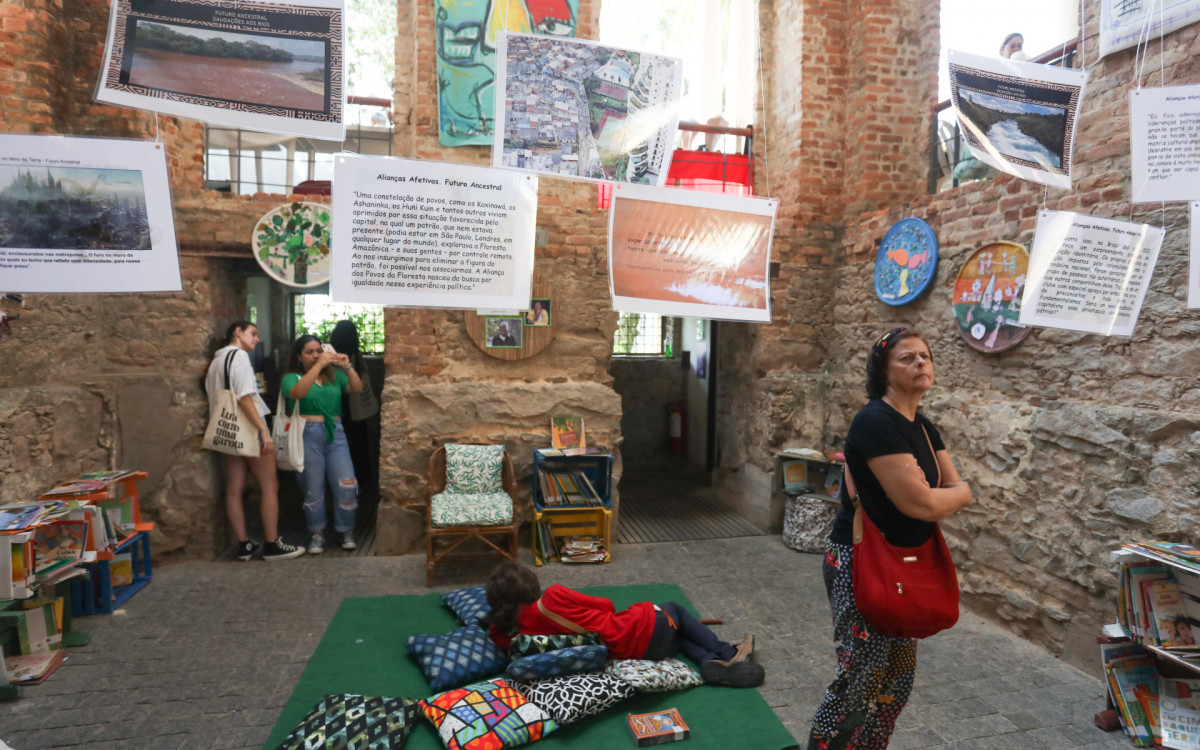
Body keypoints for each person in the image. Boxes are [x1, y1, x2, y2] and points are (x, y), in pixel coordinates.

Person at [807, 327, 972, 749]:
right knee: (859, 681)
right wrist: (948, 495)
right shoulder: (876, 422)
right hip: (862, 561)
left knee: (893, 686)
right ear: (883, 371)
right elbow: (924, 504)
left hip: (905, 562)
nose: (921, 363)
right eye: (907, 358)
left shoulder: (922, 426)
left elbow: (952, 488)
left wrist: (947, 493)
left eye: (925, 356)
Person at [485, 561, 764, 687]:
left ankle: (707, 660)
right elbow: (607, 605)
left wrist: (495, 623)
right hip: (644, 628)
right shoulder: (554, 595)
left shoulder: (521, 635)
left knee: (677, 636)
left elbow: (497, 636)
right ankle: (728, 653)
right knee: (673, 610)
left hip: (638, 652)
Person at [204, 321, 304, 562]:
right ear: (238, 333)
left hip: (228, 432)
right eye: (253, 334)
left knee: (233, 489)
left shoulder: (216, 361)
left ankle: (244, 545)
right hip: (249, 430)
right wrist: (263, 430)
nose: (257, 339)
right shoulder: (238, 357)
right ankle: (272, 544)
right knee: (270, 487)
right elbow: (245, 397)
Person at [283, 335, 364, 554]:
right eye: (309, 352)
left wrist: (347, 367)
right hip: (307, 434)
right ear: (299, 356)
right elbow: (297, 393)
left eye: (319, 350)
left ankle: (346, 530)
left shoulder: (335, 376)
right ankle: (317, 534)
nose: (316, 355)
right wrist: (319, 365)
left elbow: (357, 388)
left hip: (335, 432)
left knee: (346, 484)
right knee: (313, 488)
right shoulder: (292, 377)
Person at [329, 320, 380, 489]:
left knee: (338, 444)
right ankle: (362, 479)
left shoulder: (331, 355)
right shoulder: (355, 354)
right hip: (356, 407)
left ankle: (339, 479)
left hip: (338, 404)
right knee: (359, 444)